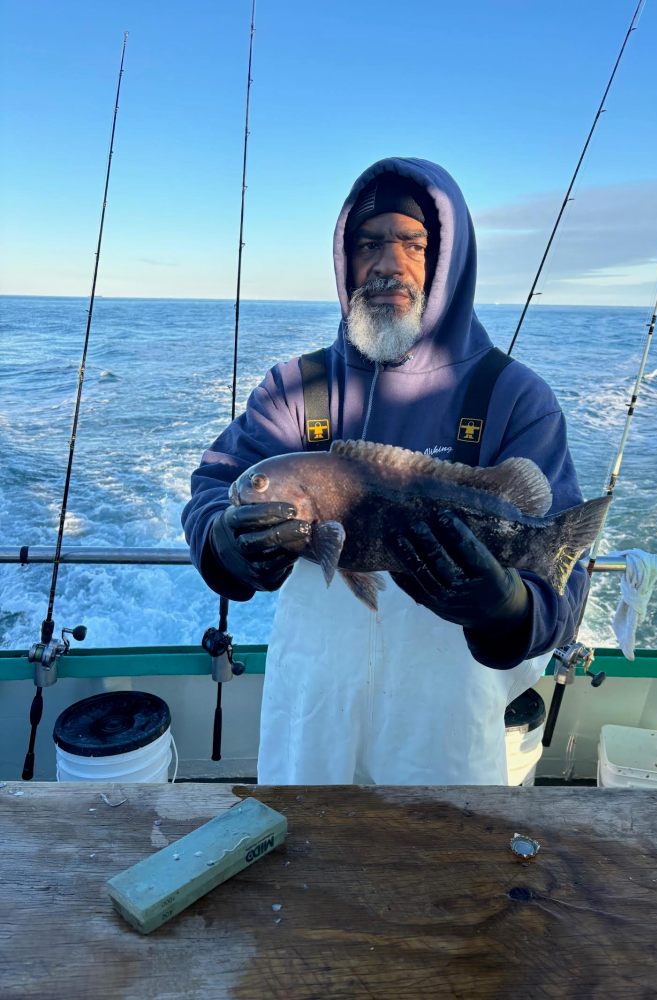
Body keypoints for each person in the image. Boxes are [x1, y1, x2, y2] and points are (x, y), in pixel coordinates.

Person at [182, 157, 590, 785]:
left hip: (446, 716)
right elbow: (216, 483)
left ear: (448, 259)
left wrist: (508, 609)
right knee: (306, 864)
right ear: (346, 263)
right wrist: (224, 540)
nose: (388, 263)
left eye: (413, 243)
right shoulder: (297, 387)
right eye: (368, 244)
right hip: (314, 704)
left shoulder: (514, 397)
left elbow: (565, 580)